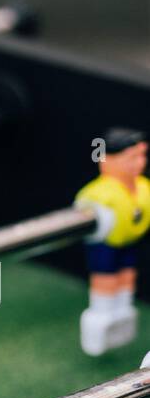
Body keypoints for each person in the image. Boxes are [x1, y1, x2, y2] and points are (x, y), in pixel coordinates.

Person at [73, 127, 149, 355]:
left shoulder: (143, 186)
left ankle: (122, 313)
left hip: (129, 242)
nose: (139, 163)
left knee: (127, 277)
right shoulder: (98, 194)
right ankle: (100, 320)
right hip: (105, 246)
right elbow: (82, 210)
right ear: (106, 162)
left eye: (141, 156)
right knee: (106, 281)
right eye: (131, 158)